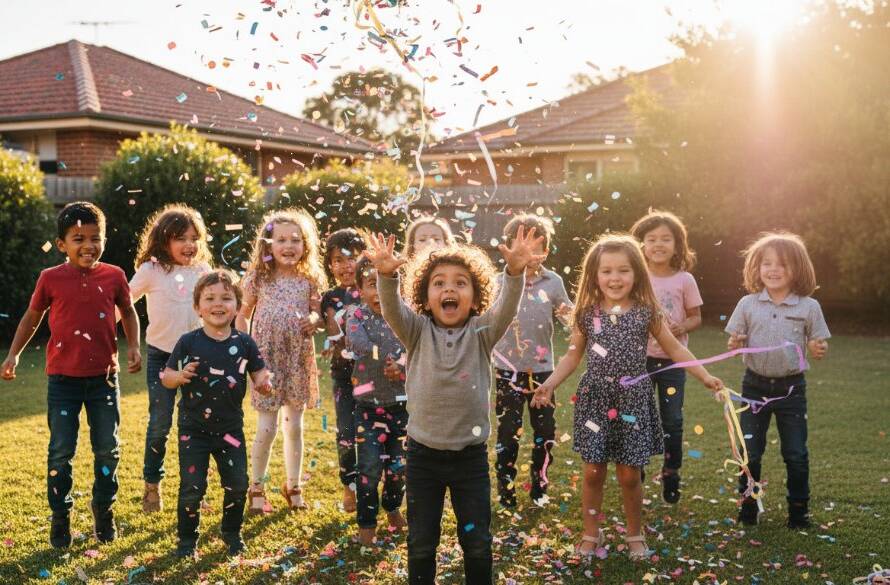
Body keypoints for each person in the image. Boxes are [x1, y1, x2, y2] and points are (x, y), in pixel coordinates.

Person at [365, 226, 545, 585]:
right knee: (420, 543)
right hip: (423, 457)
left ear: (476, 295)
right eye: (439, 283)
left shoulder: (482, 331)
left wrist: (514, 273)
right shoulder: (415, 330)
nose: (449, 289)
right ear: (425, 295)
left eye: (461, 283)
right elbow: (392, 309)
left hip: (470, 458)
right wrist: (387, 275)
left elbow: (507, 308)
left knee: (477, 543)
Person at [531, 234, 722, 560]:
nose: (614, 278)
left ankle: (635, 533)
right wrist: (549, 384)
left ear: (637, 273)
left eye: (623, 271)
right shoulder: (587, 313)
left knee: (630, 474)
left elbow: (675, 348)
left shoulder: (647, 312)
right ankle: (591, 532)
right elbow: (572, 356)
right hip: (595, 399)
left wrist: (705, 376)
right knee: (593, 471)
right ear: (594, 275)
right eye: (606, 271)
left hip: (633, 400)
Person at [1, 202, 142, 548]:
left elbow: (128, 312)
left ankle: (103, 509)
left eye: (96, 238)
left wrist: (134, 346)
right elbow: (30, 319)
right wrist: (13, 354)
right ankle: (60, 515)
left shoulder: (114, 276)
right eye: (79, 238)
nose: (88, 245)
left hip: (104, 380)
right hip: (62, 381)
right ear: (62, 244)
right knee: (60, 452)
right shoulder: (50, 278)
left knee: (108, 449)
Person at [162, 269, 272, 557]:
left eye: (226, 297)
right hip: (193, 429)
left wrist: (263, 382)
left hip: (230, 431)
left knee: (237, 484)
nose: (218, 304)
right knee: (192, 488)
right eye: (209, 298)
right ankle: (187, 541)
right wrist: (179, 376)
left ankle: (231, 532)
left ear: (237, 305)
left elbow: (260, 372)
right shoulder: (189, 341)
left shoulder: (244, 343)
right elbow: (166, 376)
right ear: (198, 307)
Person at [725, 232, 829, 529]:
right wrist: (735, 343)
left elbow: (819, 344)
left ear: (797, 269)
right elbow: (735, 340)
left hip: (792, 389)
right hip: (753, 387)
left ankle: (798, 512)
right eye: (767, 263)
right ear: (757, 268)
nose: (773, 269)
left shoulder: (809, 307)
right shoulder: (747, 303)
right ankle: (747, 507)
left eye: (782, 264)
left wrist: (817, 348)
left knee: (795, 453)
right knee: (750, 452)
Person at [236, 209, 326, 513]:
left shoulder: (309, 278)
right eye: (282, 239)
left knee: (294, 425)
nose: (289, 246)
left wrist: (314, 320)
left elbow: (317, 312)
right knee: (267, 426)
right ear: (268, 244)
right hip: (266, 359)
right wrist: (244, 348)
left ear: (306, 245)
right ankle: (256, 487)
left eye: (296, 240)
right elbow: (242, 313)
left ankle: (293, 484)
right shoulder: (258, 278)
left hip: (298, 357)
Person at [130, 204, 213, 513]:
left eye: (194, 238)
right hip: (161, 358)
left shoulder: (203, 272)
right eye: (181, 238)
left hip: (197, 359)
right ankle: (152, 485)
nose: (189, 245)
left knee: (196, 426)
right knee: (160, 424)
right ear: (164, 240)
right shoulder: (151, 270)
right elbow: (124, 303)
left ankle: (196, 489)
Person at [492, 214, 573, 508]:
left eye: (534, 247)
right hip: (506, 372)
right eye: (519, 246)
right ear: (509, 248)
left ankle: (540, 486)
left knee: (545, 434)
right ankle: (506, 489)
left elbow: (569, 318)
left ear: (546, 251)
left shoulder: (553, 282)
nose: (527, 254)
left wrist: (581, 322)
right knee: (507, 434)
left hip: (543, 373)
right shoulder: (498, 281)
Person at [630, 210, 703, 503]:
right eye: (651, 239)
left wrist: (681, 325)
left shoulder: (684, 280)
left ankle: (671, 472)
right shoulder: (636, 277)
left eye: (665, 239)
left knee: (672, 420)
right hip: (639, 361)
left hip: (673, 362)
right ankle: (638, 469)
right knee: (639, 418)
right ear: (641, 245)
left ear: (677, 245)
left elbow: (696, 317)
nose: (658, 244)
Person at [345, 257, 408, 545]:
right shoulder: (356, 316)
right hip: (368, 409)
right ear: (359, 288)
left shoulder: (406, 317)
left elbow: (417, 348)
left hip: (403, 408)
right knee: (368, 469)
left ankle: (392, 506)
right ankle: (367, 527)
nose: (380, 292)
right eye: (373, 284)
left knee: (399, 467)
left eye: (386, 285)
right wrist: (386, 358)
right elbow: (356, 343)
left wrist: (403, 365)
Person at [320, 228, 368, 512]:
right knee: (346, 432)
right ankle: (348, 486)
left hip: (374, 376)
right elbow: (329, 328)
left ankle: (380, 487)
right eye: (338, 259)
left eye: (352, 258)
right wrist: (331, 341)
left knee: (375, 433)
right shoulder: (330, 297)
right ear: (330, 264)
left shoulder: (372, 290)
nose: (346, 265)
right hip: (343, 377)